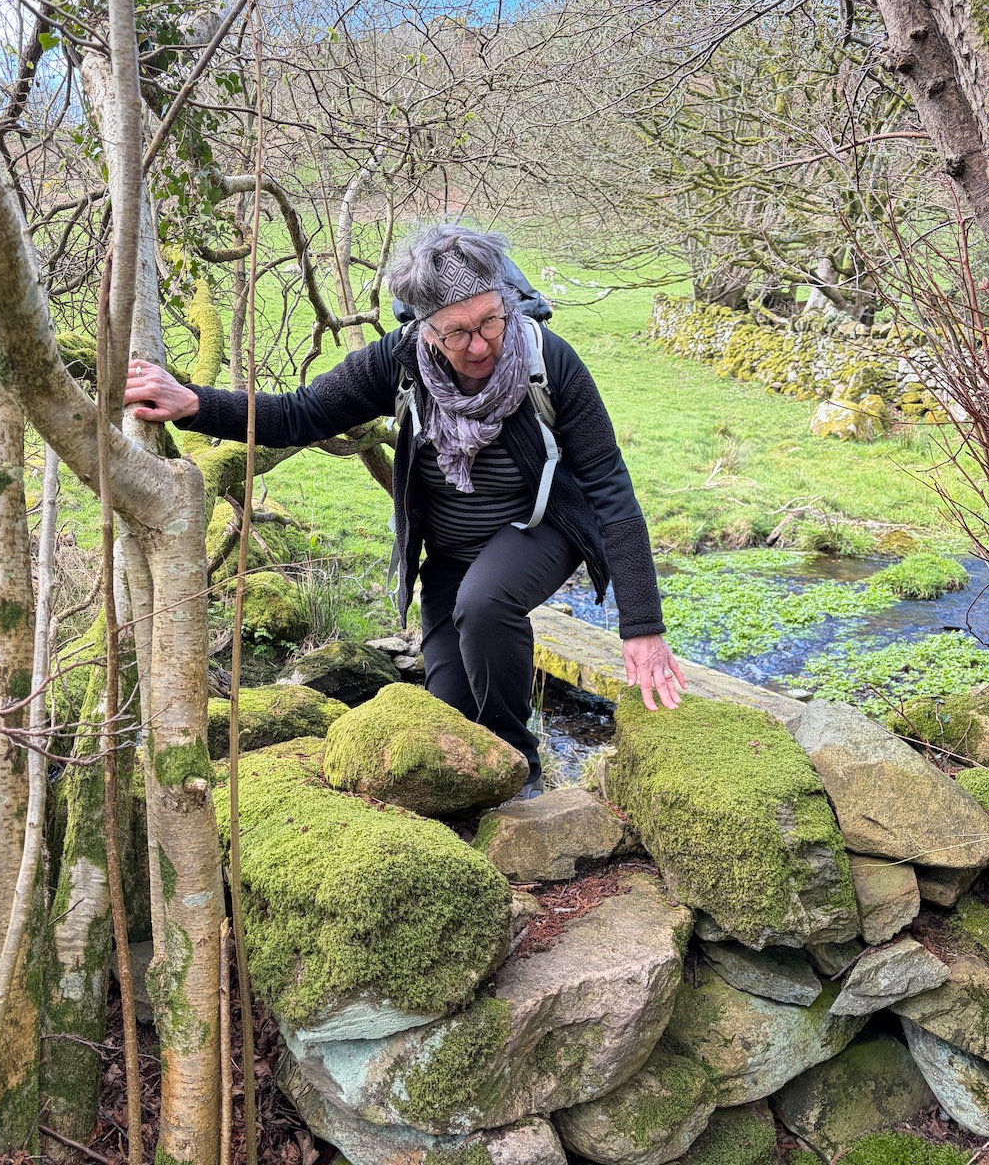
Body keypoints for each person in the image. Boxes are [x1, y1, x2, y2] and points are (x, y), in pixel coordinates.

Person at [124, 224, 684, 796]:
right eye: (457, 332)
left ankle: (522, 777)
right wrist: (194, 403)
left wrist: (642, 626)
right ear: (424, 327)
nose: (479, 345)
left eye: (491, 321)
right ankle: (475, 804)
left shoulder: (549, 361)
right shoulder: (399, 361)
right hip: (450, 555)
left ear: (506, 302)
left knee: (485, 604)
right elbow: (300, 414)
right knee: (448, 715)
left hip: (540, 528)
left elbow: (611, 490)